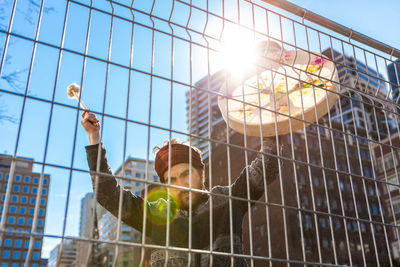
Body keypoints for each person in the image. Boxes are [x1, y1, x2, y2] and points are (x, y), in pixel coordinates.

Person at [81, 110, 282, 267]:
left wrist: (273, 124)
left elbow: (265, 168)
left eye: (185, 175)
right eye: (172, 180)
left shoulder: (228, 199)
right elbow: (108, 195)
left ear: (200, 173)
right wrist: (94, 138)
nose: (180, 185)